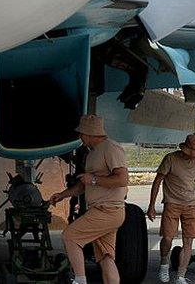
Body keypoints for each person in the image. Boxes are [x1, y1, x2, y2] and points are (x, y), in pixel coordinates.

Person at [50, 115, 130, 284]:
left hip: (107, 210)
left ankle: (80, 280)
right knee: (106, 257)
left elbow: (122, 180)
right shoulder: (93, 153)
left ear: (89, 133)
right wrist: (63, 194)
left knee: (70, 237)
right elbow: (85, 184)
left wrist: (93, 179)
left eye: (81, 134)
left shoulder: (111, 148)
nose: (80, 137)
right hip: (104, 211)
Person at [147, 134, 195, 284]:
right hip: (171, 204)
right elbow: (157, 181)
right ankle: (164, 263)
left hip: (191, 206)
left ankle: (180, 276)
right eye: (192, 153)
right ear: (185, 149)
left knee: (188, 242)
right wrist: (151, 205)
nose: (194, 156)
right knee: (167, 237)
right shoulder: (170, 159)